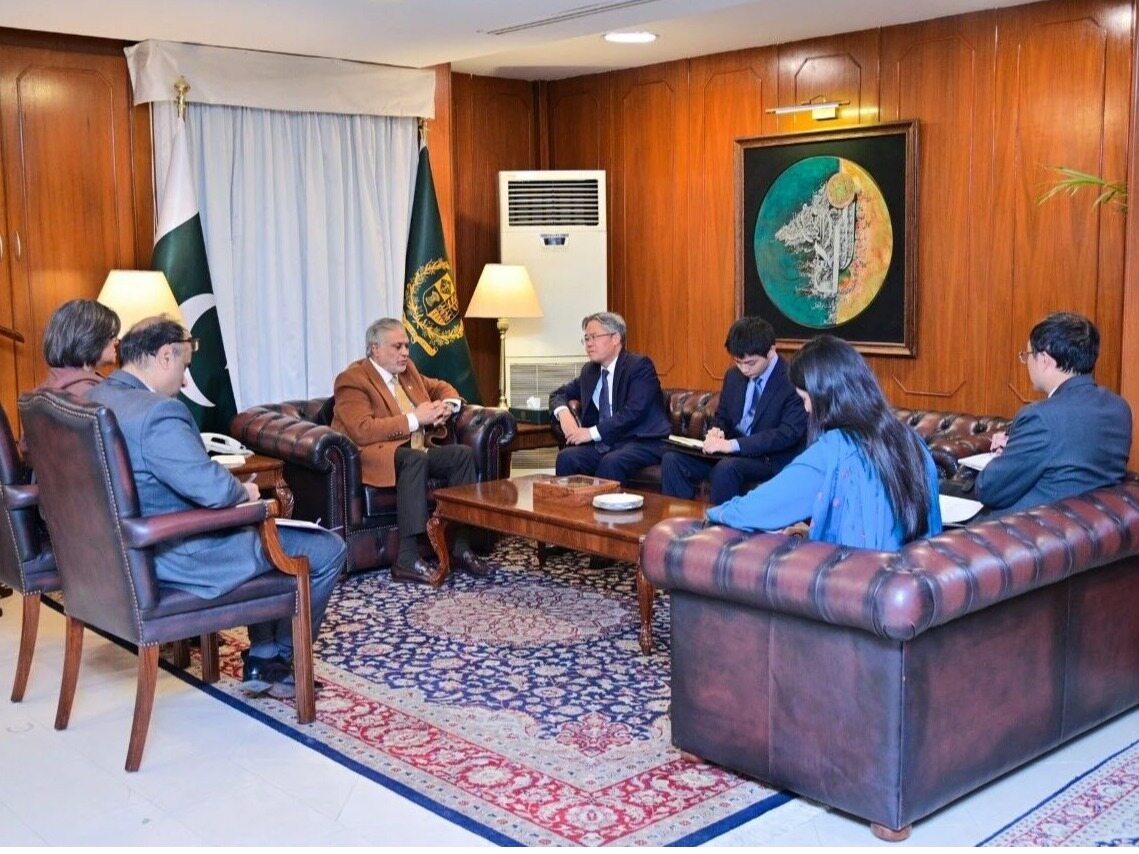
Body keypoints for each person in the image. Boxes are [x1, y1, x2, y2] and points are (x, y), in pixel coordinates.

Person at [88, 316, 346, 698]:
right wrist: (247, 493)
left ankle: (264, 656)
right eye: (184, 366)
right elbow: (214, 492)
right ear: (164, 355)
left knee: (265, 538)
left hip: (120, 553)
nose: (185, 381)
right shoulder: (157, 413)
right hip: (179, 555)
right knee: (326, 548)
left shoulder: (97, 397)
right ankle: (279, 660)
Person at [706, 334, 942, 550]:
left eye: (805, 398)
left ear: (825, 397)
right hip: (914, 576)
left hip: (853, 577)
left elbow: (758, 509)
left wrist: (714, 515)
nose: (807, 409)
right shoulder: (912, 440)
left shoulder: (834, 449)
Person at [331, 317, 490, 584]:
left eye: (406, 346)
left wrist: (448, 405)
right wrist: (416, 419)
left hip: (414, 449)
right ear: (375, 349)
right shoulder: (352, 379)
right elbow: (362, 430)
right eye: (397, 347)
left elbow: (439, 386)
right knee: (414, 460)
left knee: (462, 455)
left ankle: (460, 545)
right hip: (375, 454)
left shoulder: (407, 370)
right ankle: (406, 558)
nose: (405, 352)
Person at [977, 312, 1131, 516]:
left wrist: (1004, 456)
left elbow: (988, 489)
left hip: (1026, 527)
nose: (1027, 362)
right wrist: (1018, 445)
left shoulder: (1041, 417)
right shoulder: (1119, 407)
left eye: (1028, 355)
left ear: (1045, 360)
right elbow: (1069, 449)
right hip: (1089, 523)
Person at [660, 316, 808, 504]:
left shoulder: (792, 379)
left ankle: (720, 523)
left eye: (751, 363)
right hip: (731, 453)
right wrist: (717, 430)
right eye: (738, 362)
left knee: (726, 469)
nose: (744, 369)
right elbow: (722, 416)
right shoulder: (733, 376)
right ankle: (680, 519)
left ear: (771, 351)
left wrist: (733, 445)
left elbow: (787, 434)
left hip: (768, 458)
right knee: (672, 460)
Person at [549, 311, 671, 484]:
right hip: (609, 443)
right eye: (586, 338)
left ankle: (601, 503)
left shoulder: (639, 366)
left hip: (643, 441)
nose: (589, 344)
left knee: (612, 461)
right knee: (567, 457)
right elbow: (558, 394)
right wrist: (564, 414)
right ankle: (569, 503)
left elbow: (633, 412)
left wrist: (590, 433)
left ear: (615, 338)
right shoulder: (590, 371)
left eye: (594, 337)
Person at [37, 298, 121, 394]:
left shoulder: (46, 387)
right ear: (89, 339)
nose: (116, 341)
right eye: (111, 335)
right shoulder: (93, 394)